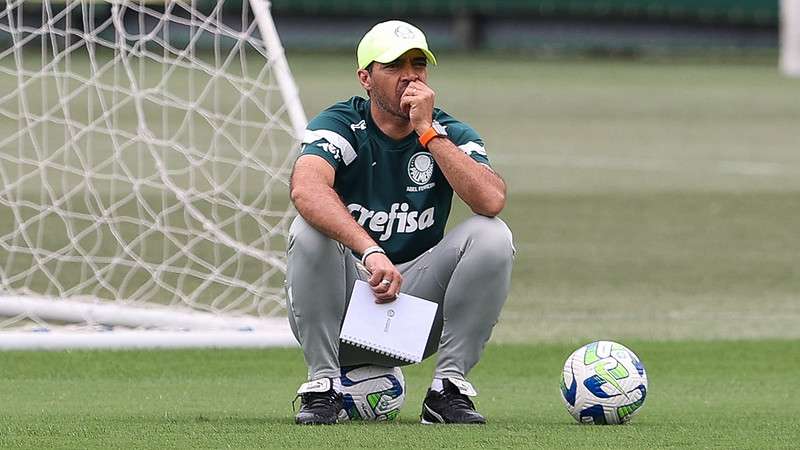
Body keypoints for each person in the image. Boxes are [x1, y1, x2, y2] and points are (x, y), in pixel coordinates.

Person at [286, 20, 514, 425]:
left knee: (492, 235)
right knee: (308, 229)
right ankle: (322, 386)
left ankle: (448, 389)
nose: (409, 75)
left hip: (411, 319)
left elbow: (491, 199)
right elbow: (306, 189)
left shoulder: (447, 132)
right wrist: (370, 251)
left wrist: (427, 132)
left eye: (418, 64)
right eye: (393, 66)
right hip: (340, 312)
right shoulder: (341, 124)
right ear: (366, 78)